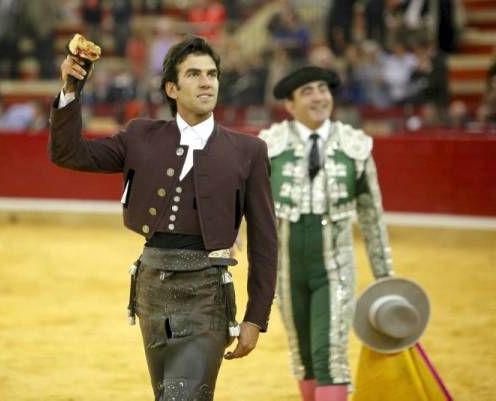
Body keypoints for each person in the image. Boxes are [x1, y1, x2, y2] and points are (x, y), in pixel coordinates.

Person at [49, 36, 278, 400]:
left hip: (208, 294)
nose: (207, 82)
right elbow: (68, 153)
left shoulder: (249, 150)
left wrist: (255, 317)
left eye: (212, 74)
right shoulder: (141, 136)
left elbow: (267, 240)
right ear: (172, 88)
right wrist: (71, 89)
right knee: (168, 393)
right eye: (194, 74)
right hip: (152, 292)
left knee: (181, 396)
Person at [259, 66, 394, 401]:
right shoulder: (269, 147)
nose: (319, 97)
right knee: (302, 355)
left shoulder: (355, 147)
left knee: (329, 353)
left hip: (334, 268)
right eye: (307, 92)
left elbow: (372, 217)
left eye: (323, 89)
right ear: (289, 105)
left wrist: (386, 277)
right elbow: (246, 204)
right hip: (286, 270)